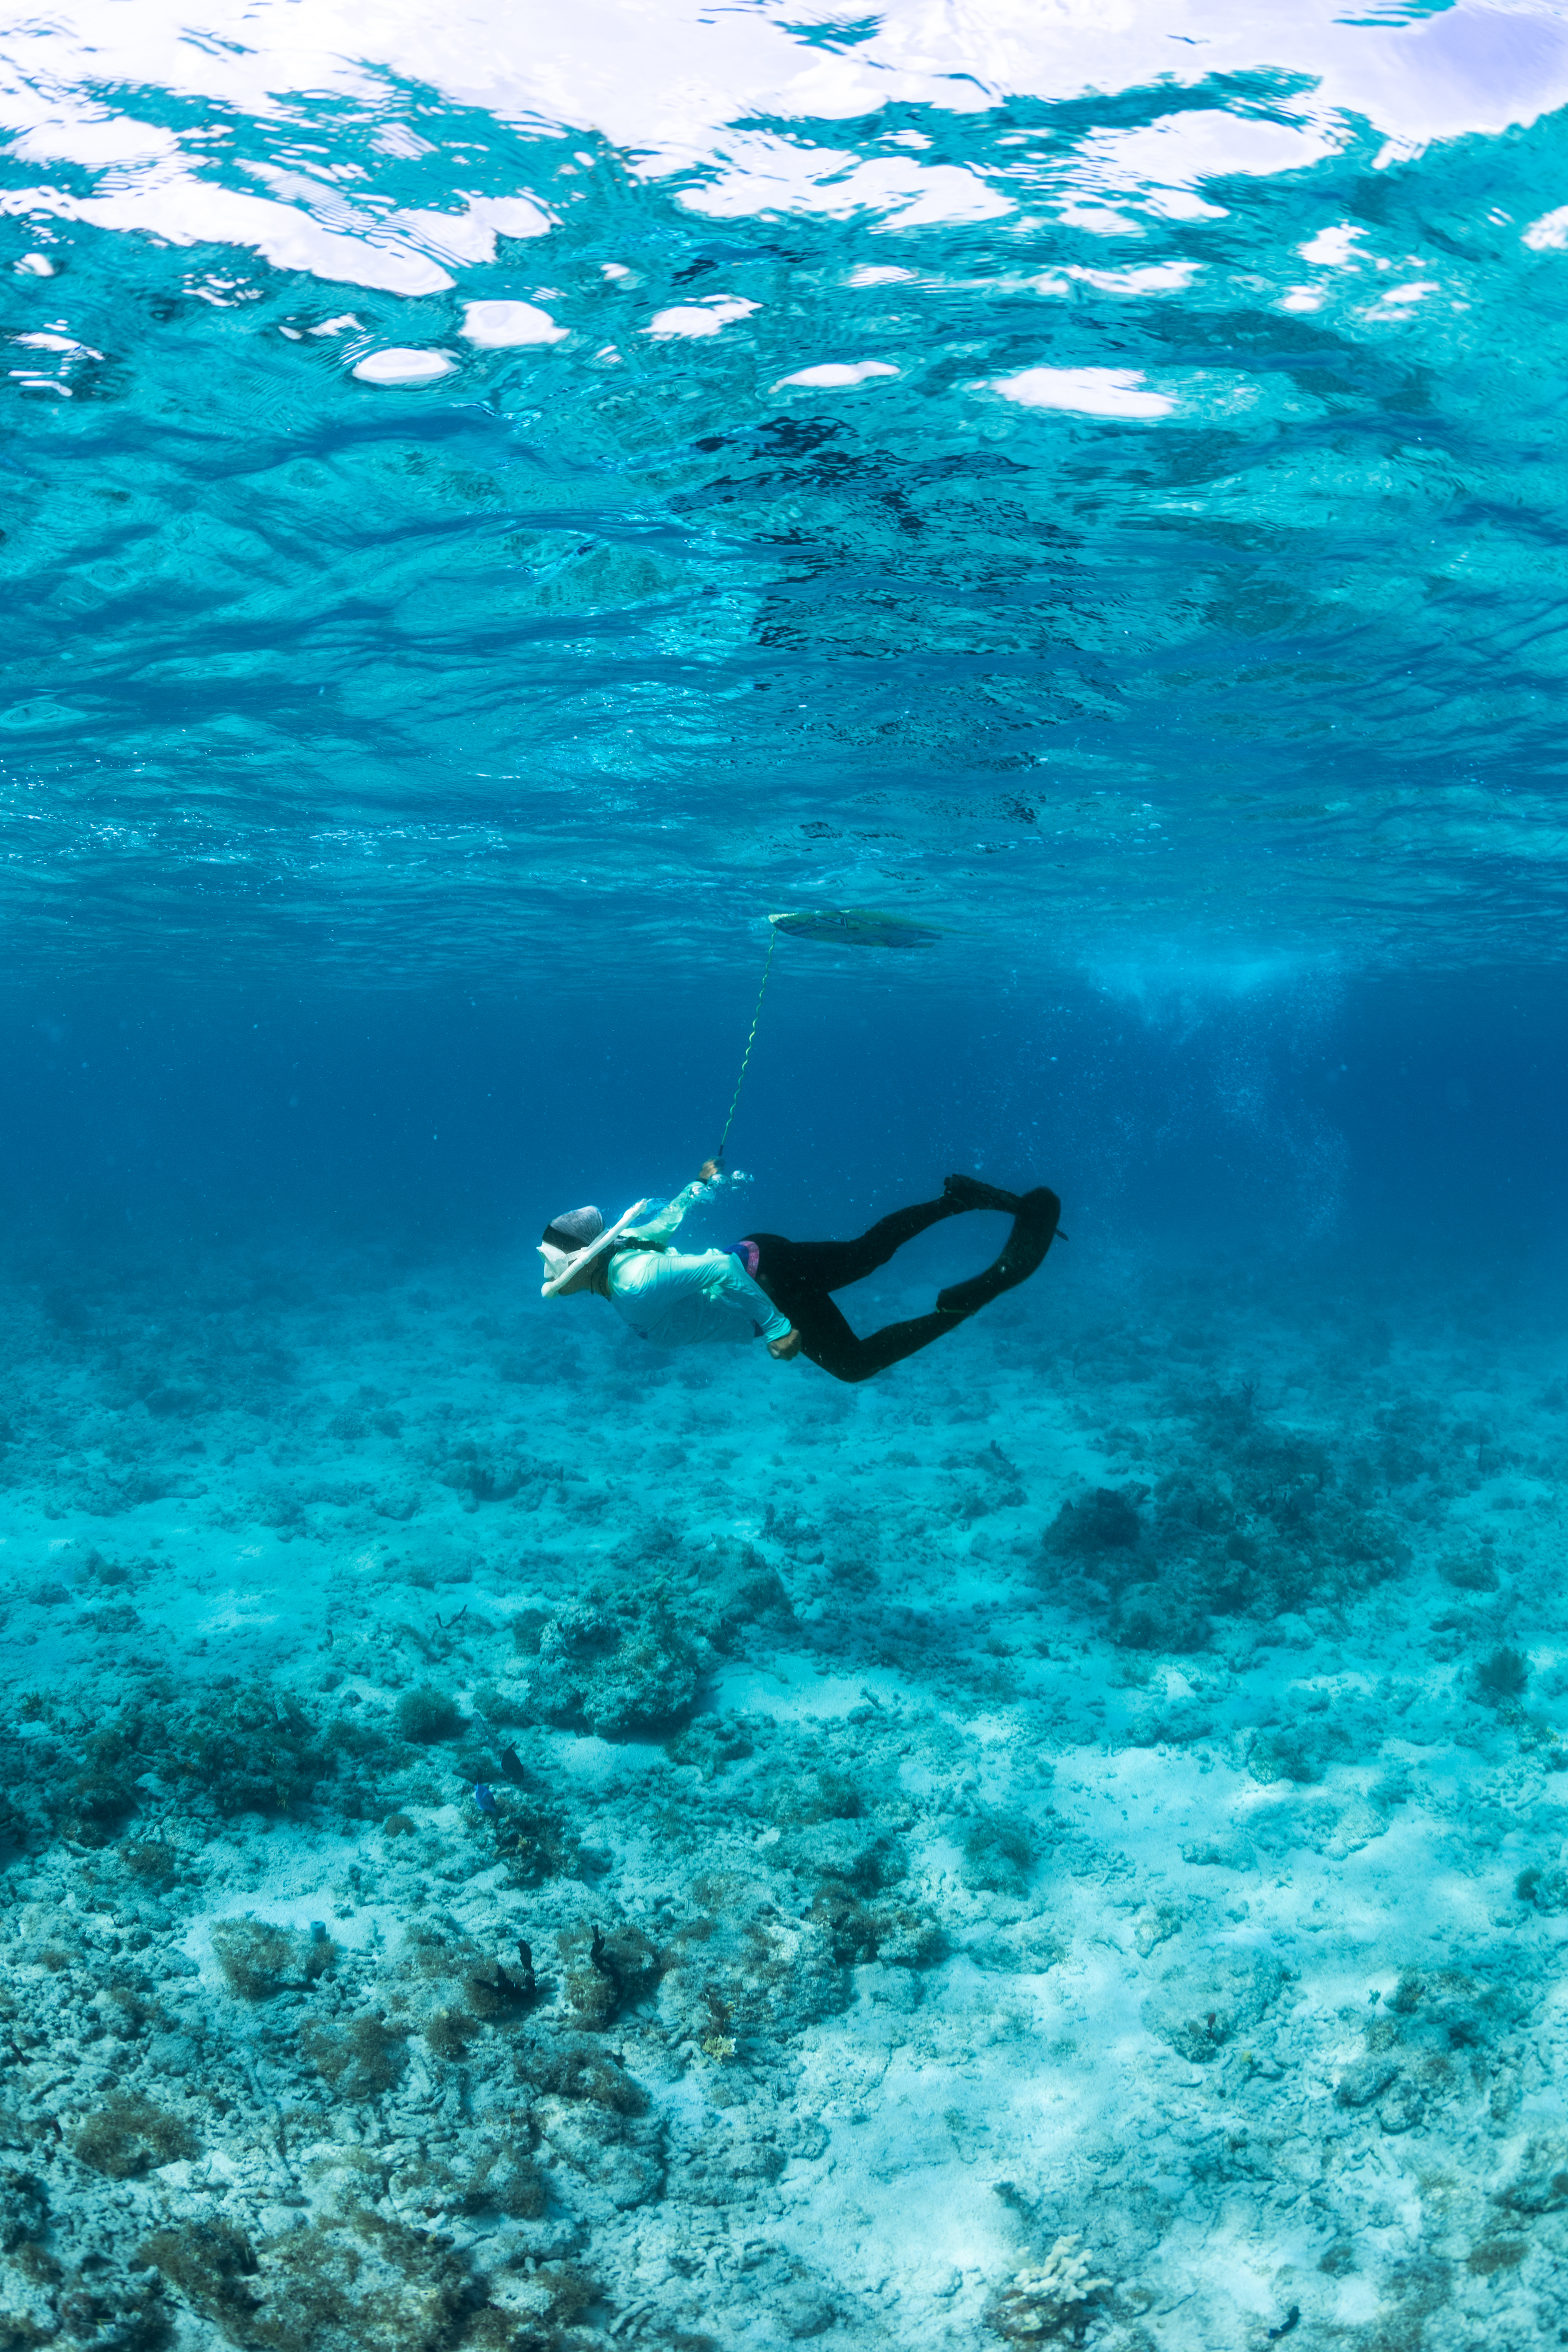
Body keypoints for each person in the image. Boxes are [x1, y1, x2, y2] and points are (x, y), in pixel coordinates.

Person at [538, 1167, 1060, 1385]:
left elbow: (719, 1268)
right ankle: (956, 1199)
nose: (556, 1279)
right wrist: (699, 1187)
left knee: (853, 1365)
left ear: (582, 1265)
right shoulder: (627, 1257)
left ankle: (959, 1305)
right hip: (763, 1257)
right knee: (866, 1254)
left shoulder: (634, 1281)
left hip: (771, 1282)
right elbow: (663, 1225)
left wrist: (775, 1328)